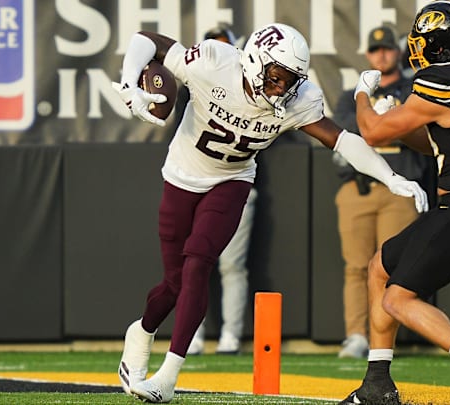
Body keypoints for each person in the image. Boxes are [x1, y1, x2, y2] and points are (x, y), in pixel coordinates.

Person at [112, 23, 429, 403]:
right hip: (181, 177)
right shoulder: (214, 61)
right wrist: (131, 84)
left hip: (232, 181)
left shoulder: (298, 99)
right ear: (255, 63)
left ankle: (167, 377)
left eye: (291, 81)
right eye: (277, 77)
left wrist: (391, 176)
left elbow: (341, 140)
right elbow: (148, 39)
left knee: (199, 262)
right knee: (174, 283)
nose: (282, 89)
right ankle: (142, 331)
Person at [339, 1, 450, 404]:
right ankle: (377, 383)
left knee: (397, 298)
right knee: (379, 267)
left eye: (424, 41)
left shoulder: (443, 81)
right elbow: (438, 135)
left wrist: (364, 94)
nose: (416, 48)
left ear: (441, 46)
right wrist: (402, 121)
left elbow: (371, 132)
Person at [332, 25, 434, 359]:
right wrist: (384, 125)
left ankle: (383, 338)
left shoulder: (413, 89)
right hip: (358, 187)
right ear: (367, 55)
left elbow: (411, 129)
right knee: (356, 266)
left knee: (391, 266)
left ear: (397, 52)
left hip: (400, 186)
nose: (382, 55)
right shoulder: (352, 94)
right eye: (375, 51)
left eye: (387, 49)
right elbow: (349, 133)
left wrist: (379, 127)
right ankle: (356, 335)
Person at [185, 25, 255, 356]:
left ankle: (230, 335)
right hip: (195, 184)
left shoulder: (255, 91)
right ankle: (191, 333)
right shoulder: (197, 85)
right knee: (194, 262)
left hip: (233, 185)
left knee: (231, 265)